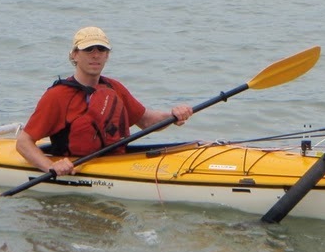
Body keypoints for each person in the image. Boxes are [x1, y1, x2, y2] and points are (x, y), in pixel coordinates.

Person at [15, 26, 194, 178]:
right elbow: (23, 142)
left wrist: (172, 115)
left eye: (101, 50)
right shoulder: (58, 95)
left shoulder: (114, 88)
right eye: (89, 50)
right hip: (76, 169)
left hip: (115, 164)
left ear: (107, 55)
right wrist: (50, 167)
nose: (96, 55)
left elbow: (147, 121)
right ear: (75, 55)